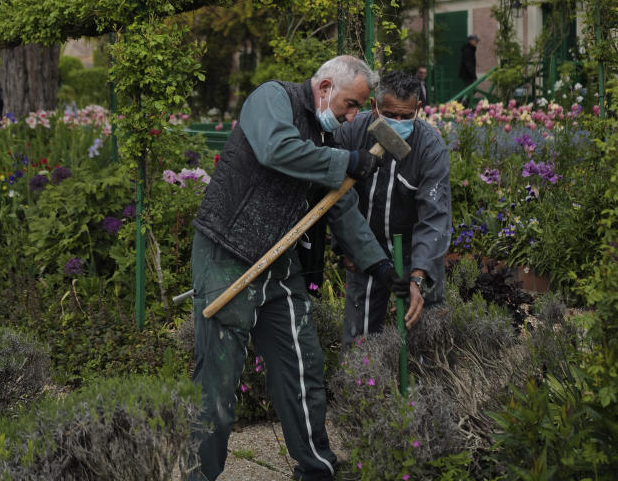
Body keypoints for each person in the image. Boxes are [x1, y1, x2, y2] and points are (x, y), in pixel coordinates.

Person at [189, 55, 413, 481]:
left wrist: (380, 266)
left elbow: (341, 206)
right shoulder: (272, 98)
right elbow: (275, 148)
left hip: (278, 262)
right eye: (350, 104)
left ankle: (317, 468)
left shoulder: (326, 141)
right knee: (217, 382)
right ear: (325, 86)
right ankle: (199, 475)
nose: (351, 115)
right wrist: (345, 162)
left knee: (301, 365)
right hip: (226, 254)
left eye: (357, 109)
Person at [334, 70, 452, 344]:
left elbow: (434, 217)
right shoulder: (352, 133)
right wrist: (347, 246)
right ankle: (363, 385)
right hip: (367, 250)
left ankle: (425, 384)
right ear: (374, 107)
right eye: (391, 115)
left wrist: (418, 276)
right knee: (359, 343)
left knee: (426, 334)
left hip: (414, 251)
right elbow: (338, 198)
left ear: (418, 110)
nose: (398, 123)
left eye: (405, 116)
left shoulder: (430, 148)